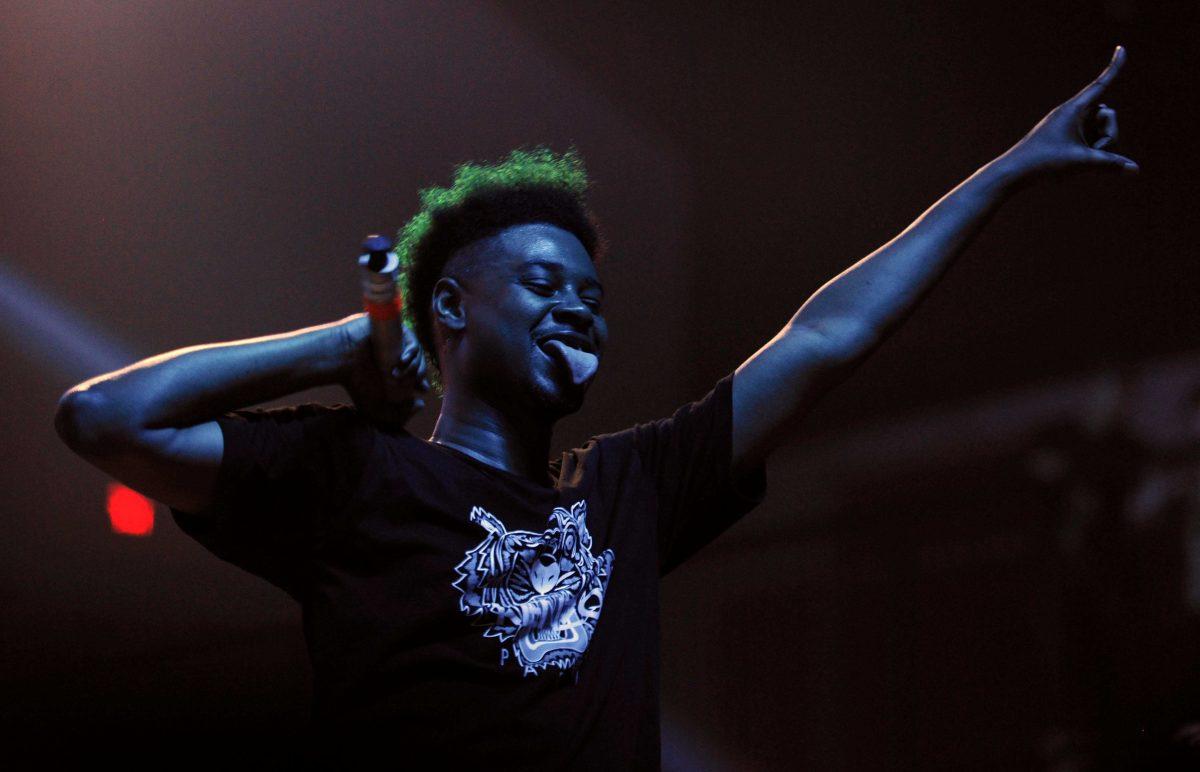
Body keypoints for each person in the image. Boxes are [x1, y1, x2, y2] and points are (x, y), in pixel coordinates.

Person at [54, 45, 1138, 769]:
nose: (576, 305)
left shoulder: (625, 490)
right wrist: (348, 344)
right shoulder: (358, 474)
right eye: (540, 282)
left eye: (591, 294)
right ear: (452, 309)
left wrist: (1007, 171)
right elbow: (106, 418)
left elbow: (827, 337)